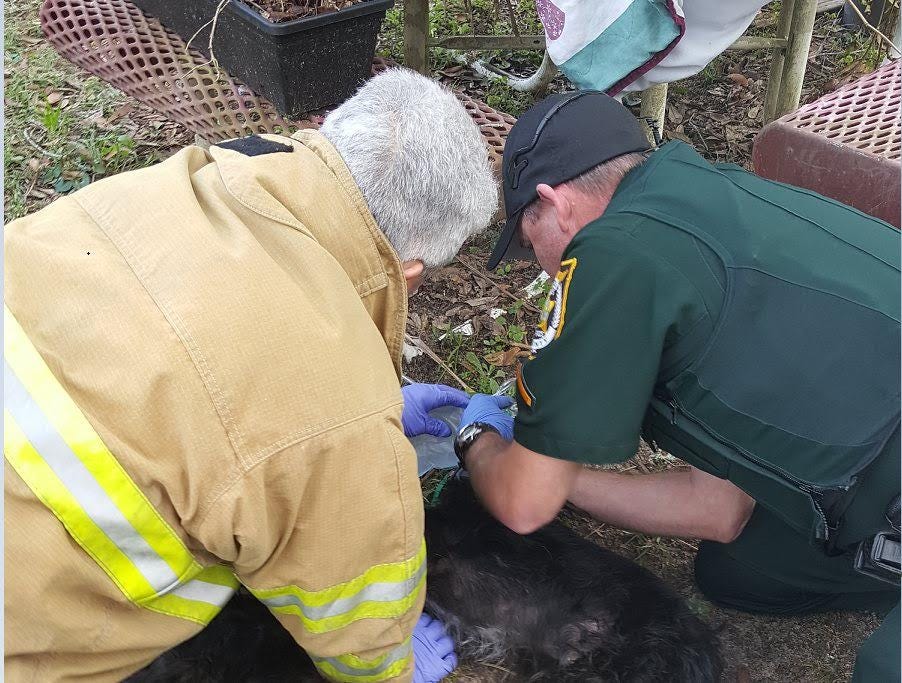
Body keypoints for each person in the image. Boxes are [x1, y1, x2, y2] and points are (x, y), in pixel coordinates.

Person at [4, 68, 497, 682]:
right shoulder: (338, 418)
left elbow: (194, 356)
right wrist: (391, 666)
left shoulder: (175, 181)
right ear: (412, 269)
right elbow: (354, 613)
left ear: (328, 134)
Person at [453, 91, 900, 681]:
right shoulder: (714, 191)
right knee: (740, 573)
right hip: (878, 463)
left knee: (882, 667)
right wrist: (562, 473)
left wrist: (477, 440)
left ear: (554, 204)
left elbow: (521, 504)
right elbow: (718, 510)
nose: (540, 266)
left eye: (531, 243)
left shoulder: (613, 254)